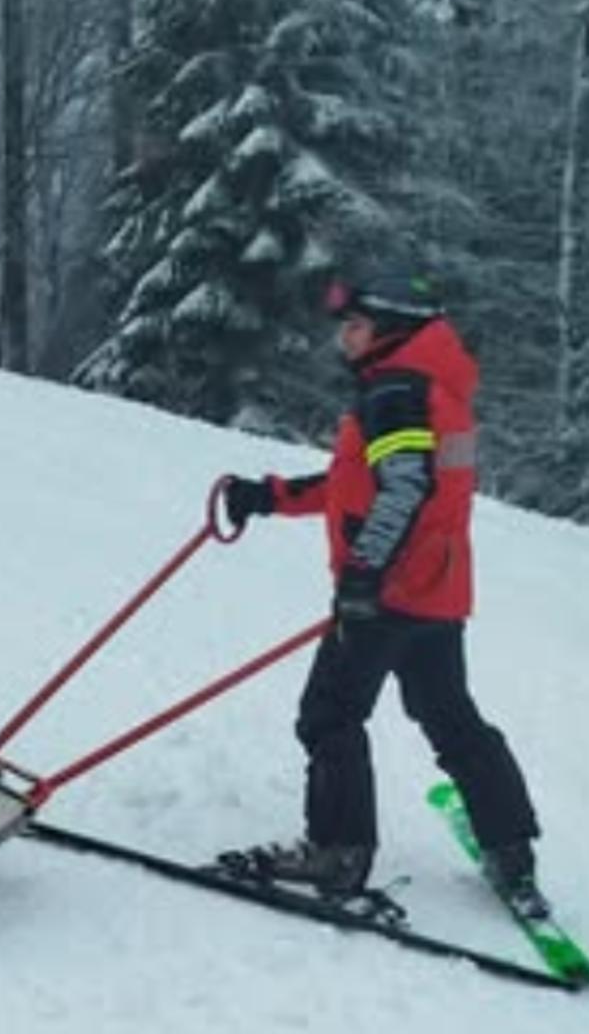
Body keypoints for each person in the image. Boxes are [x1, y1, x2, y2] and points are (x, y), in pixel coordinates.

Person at [221, 263, 547, 916]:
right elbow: (361, 481)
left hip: (387, 596)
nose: (346, 337)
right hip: (437, 593)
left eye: (357, 324)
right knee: (449, 717)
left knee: (330, 714)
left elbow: (404, 488)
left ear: (391, 328)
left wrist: (365, 576)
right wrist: (272, 497)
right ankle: (510, 847)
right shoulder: (434, 388)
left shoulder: (395, 390)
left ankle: (337, 852)